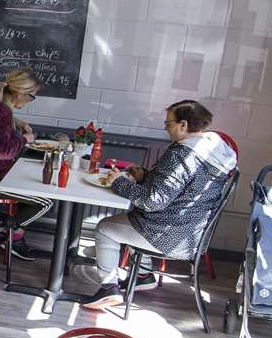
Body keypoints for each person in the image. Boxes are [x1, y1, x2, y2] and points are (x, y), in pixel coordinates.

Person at [82, 100, 238, 309]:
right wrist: (146, 176)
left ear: (183, 125)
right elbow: (182, 188)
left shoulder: (183, 154)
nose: (166, 128)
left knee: (105, 228)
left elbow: (152, 201)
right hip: (191, 234)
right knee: (134, 220)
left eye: (169, 123)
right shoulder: (213, 150)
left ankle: (108, 289)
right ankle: (144, 276)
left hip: (168, 234)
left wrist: (117, 182)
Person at [0, 68, 47, 260]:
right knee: (44, 203)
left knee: (34, 189)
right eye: (31, 97)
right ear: (20, 93)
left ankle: (10, 236)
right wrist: (24, 139)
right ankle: (7, 234)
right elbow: (0, 151)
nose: (30, 101)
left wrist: (17, 122)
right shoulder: (2, 112)